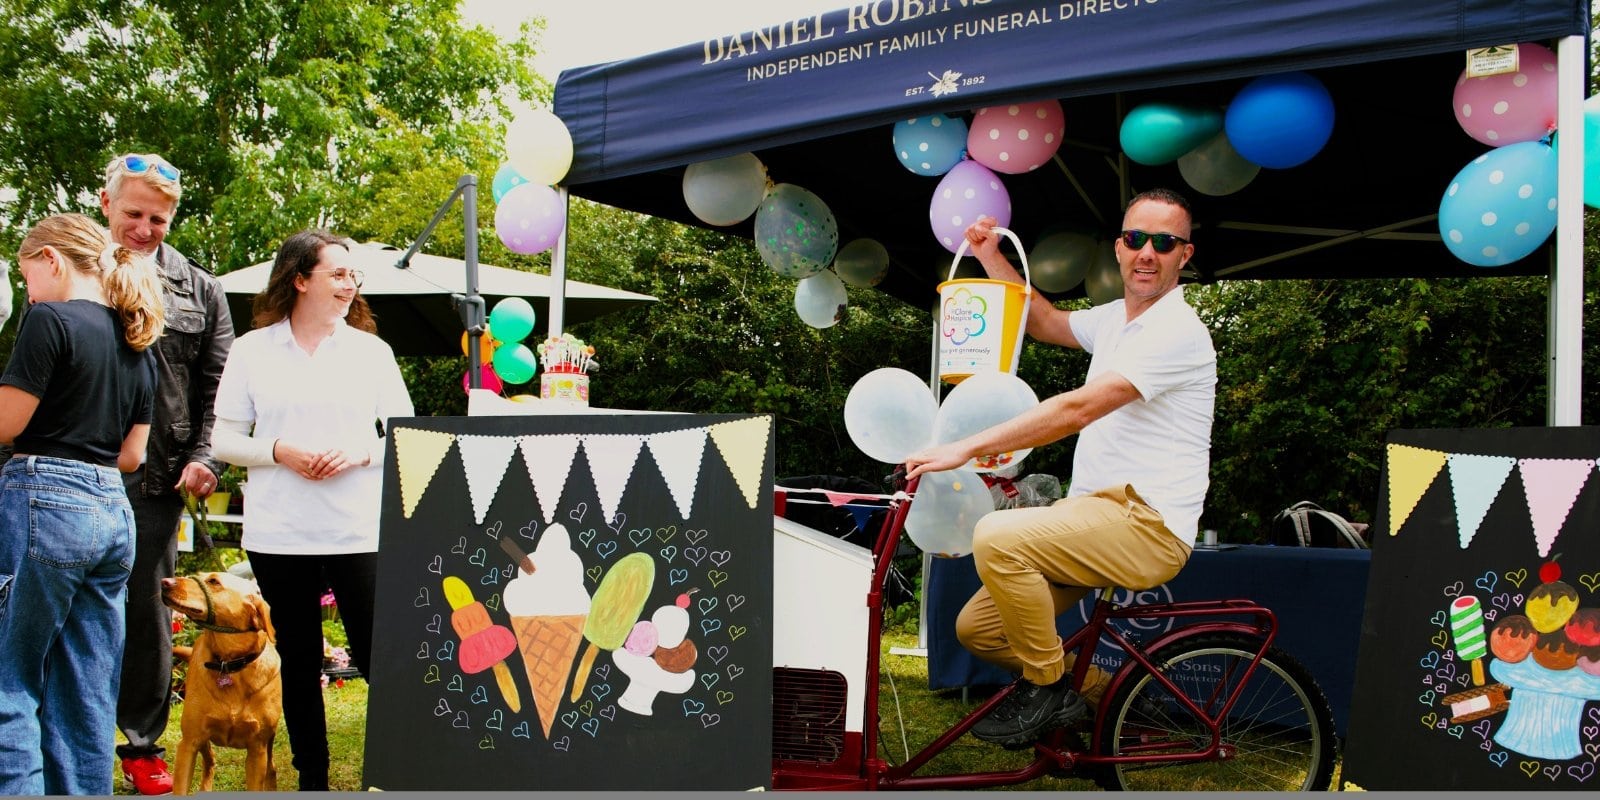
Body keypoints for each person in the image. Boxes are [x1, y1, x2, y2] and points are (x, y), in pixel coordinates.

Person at [904, 188, 1216, 748]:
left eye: (1164, 242)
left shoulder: (1176, 330)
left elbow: (1076, 410)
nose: (1147, 252)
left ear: (1184, 255)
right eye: (1135, 238)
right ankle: (1109, 696)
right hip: (1095, 515)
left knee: (997, 535)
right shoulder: (1117, 319)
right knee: (980, 629)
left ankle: (1048, 688)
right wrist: (990, 256)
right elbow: (1044, 320)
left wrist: (964, 448)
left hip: (1147, 525)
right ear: (1119, 248)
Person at [210, 229, 412, 791]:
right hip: (280, 533)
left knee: (379, 657)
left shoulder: (372, 352)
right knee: (298, 664)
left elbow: (405, 432)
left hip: (358, 531)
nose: (349, 285)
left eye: (353, 276)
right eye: (337, 274)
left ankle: (396, 771)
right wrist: (280, 451)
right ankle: (312, 781)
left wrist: (359, 453)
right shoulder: (252, 350)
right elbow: (224, 439)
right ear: (299, 280)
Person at [0, 214, 164, 794]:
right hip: (112, 511)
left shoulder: (49, 320)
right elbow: (132, 456)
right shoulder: (137, 342)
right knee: (87, 688)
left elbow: (7, 423)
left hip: (44, 501)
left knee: (10, 677)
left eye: (27, 277)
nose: (28, 293)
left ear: (51, 259)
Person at [102, 152, 235, 796]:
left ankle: (141, 744)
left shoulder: (201, 289)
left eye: (157, 219)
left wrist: (206, 458)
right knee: (60, 604)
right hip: (73, 463)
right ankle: (52, 737)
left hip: (157, 477)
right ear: (107, 205)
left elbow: (221, 389)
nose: (143, 229)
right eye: (133, 213)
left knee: (143, 608)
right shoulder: (74, 269)